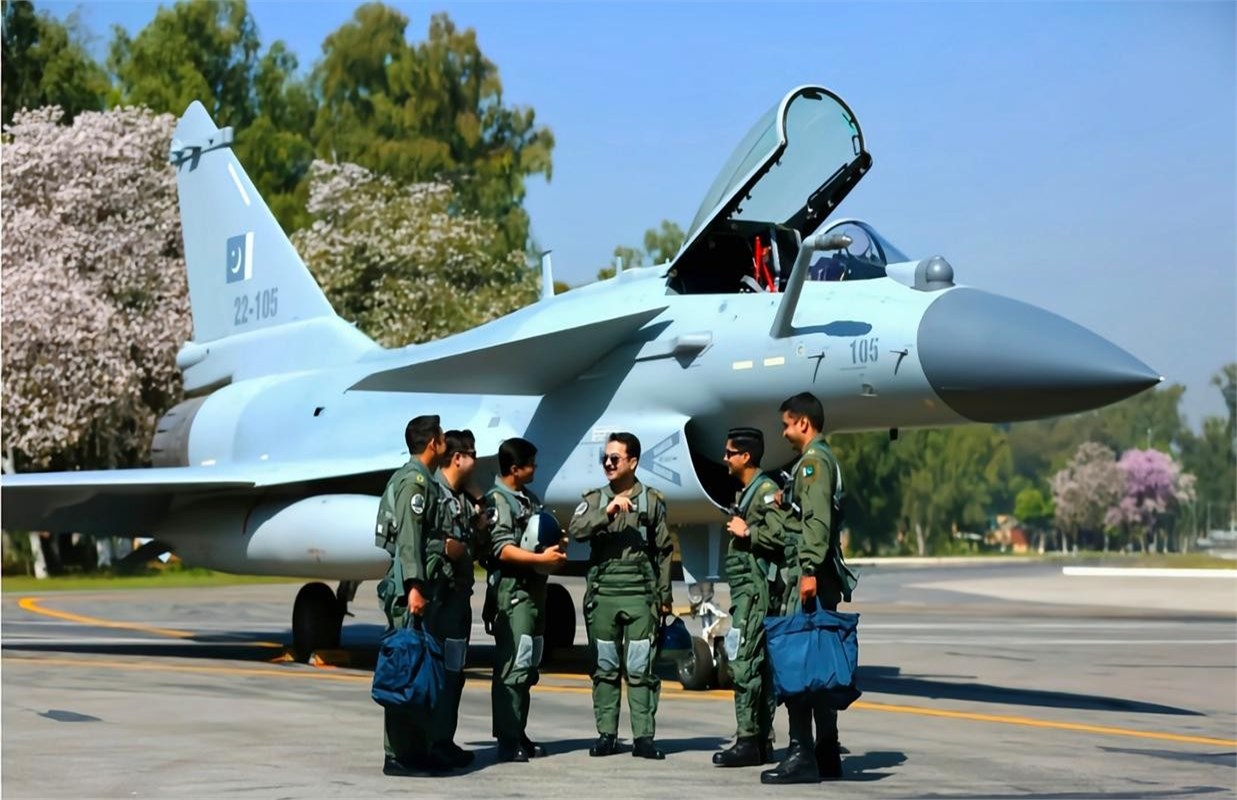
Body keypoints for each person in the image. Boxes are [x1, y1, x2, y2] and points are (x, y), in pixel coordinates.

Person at [569, 432, 674, 761]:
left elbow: (664, 550)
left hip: (641, 595)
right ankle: (607, 735)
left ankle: (643, 738)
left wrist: (665, 596)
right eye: (605, 458)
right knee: (605, 667)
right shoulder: (595, 499)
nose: (608, 463)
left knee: (641, 668)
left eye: (615, 458)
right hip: (604, 595)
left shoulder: (652, 501)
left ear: (633, 462)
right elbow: (576, 530)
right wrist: (608, 512)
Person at [761, 392, 849, 785]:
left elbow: (817, 522)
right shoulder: (818, 460)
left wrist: (809, 569)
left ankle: (801, 754)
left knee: (797, 665)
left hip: (807, 576)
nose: (783, 432)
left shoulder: (813, 463)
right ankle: (826, 752)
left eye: (786, 424)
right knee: (818, 668)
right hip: (816, 574)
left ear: (803, 423)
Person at [483, 437, 567, 762]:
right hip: (513, 593)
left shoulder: (528, 499)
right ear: (514, 468)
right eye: (530, 464)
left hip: (534, 592)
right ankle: (507, 738)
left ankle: (518, 730)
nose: (535, 469)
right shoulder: (497, 502)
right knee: (513, 666)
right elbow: (501, 548)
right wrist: (539, 560)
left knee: (528, 666)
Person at [374, 414, 446, 777]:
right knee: (404, 670)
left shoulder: (425, 481)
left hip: (421, 588)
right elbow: (408, 540)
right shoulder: (413, 483)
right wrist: (415, 587)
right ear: (433, 442)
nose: (445, 439)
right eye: (442, 435)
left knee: (419, 671)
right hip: (409, 592)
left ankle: (418, 750)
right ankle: (398, 755)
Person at [713, 427, 784, 768]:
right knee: (759, 666)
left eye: (730, 453)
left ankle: (747, 740)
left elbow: (782, 535)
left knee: (742, 663)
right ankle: (761, 741)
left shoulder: (765, 492)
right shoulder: (749, 492)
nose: (724, 458)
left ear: (746, 456)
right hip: (747, 592)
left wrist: (749, 532)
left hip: (755, 594)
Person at [426, 429, 481, 768]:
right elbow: (417, 539)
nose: (476, 460)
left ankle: (444, 740)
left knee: (454, 672)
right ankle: (429, 742)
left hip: (459, 600)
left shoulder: (462, 499)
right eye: (472, 454)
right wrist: (447, 547)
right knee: (435, 672)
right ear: (457, 458)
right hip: (440, 599)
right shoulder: (432, 493)